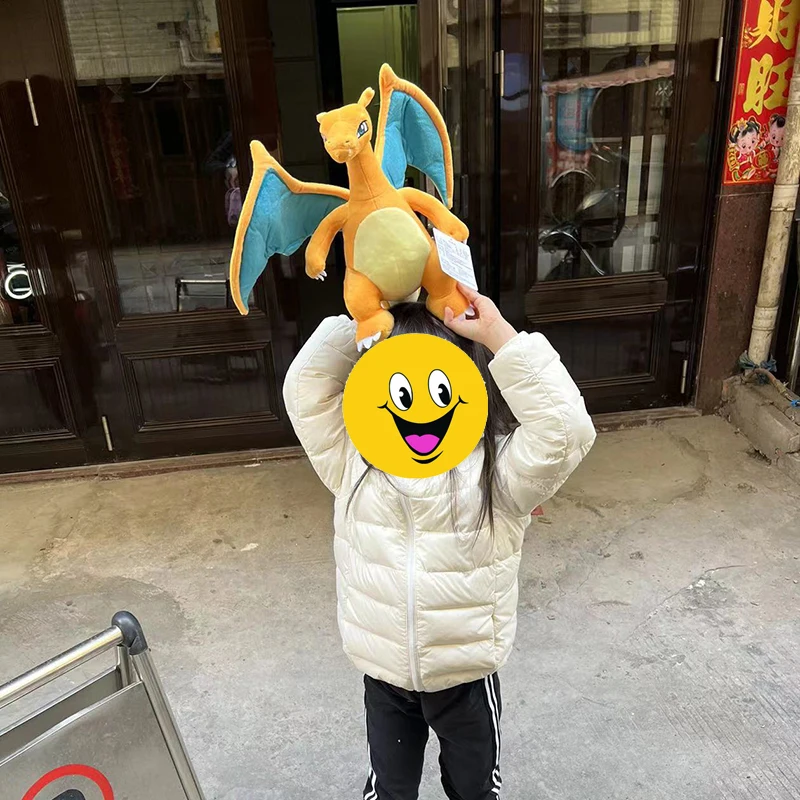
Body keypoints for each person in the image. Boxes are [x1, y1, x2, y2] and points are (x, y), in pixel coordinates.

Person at [283, 283, 596, 799]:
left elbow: (565, 430)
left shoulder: (497, 472)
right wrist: (367, 311)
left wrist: (498, 334)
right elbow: (306, 386)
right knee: (390, 790)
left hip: (465, 677)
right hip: (385, 675)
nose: (420, 409)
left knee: (474, 790)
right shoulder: (353, 460)